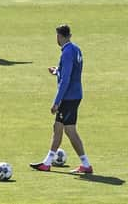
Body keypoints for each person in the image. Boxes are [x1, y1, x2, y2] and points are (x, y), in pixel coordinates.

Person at [30, 25, 93, 174]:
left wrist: (57, 101)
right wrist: (57, 71)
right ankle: (50, 162)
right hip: (75, 94)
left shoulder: (67, 53)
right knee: (60, 127)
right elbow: (71, 71)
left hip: (68, 97)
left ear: (60, 36)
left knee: (68, 130)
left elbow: (66, 79)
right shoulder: (75, 49)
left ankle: (83, 164)